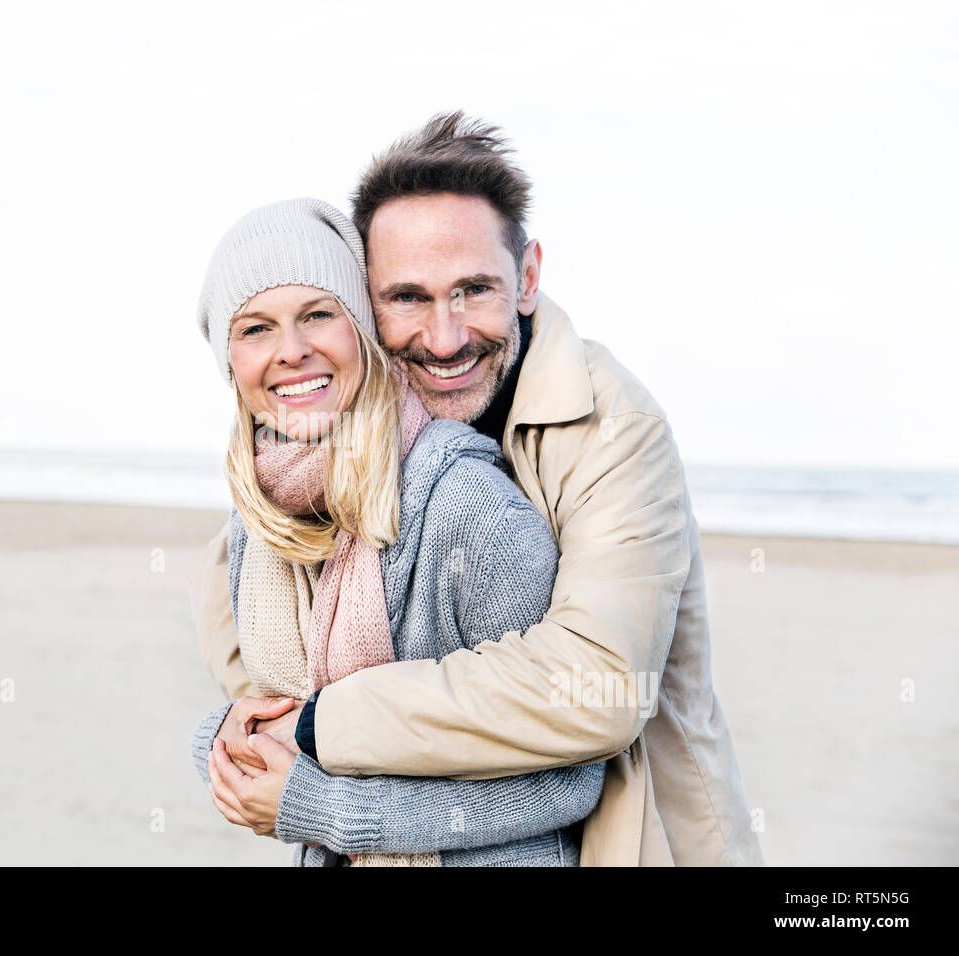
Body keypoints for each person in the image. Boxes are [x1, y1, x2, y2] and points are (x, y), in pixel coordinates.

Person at [193, 112, 764, 866]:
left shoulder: (615, 429)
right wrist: (235, 735)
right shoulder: (329, 463)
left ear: (526, 277)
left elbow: (599, 690)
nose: (445, 336)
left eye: (473, 289)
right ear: (367, 304)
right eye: (407, 297)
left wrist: (315, 729)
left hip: (639, 839)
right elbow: (265, 678)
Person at [189, 197, 605, 866]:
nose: (292, 352)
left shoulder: (468, 509)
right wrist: (221, 741)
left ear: (362, 328)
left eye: (318, 315)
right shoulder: (260, 521)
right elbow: (282, 717)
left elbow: (568, 777)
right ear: (228, 359)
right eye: (256, 329)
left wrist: (322, 807)